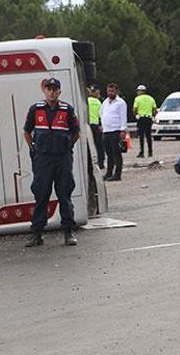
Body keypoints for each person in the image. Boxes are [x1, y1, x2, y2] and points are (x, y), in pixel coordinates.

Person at [22, 78, 80, 247]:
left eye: (55, 89)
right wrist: (33, 148)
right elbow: (27, 131)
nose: (52, 92)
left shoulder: (67, 110)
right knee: (41, 194)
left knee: (64, 194)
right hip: (43, 159)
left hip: (62, 158)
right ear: (44, 91)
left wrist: (67, 146)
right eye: (49, 89)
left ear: (59, 91)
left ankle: (68, 232)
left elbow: (76, 133)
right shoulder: (36, 109)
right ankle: (37, 234)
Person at [100, 83, 127, 181]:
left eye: (112, 91)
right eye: (109, 91)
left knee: (116, 153)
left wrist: (123, 130)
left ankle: (117, 174)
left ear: (116, 91)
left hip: (115, 130)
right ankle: (109, 173)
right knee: (109, 154)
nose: (110, 93)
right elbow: (101, 113)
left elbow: (123, 116)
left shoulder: (120, 102)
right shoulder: (105, 102)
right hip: (106, 130)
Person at [133, 85, 158, 158]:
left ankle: (142, 152)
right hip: (148, 119)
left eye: (138, 91)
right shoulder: (151, 98)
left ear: (141, 91)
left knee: (141, 136)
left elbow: (134, 109)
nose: (137, 92)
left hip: (141, 118)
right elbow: (155, 110)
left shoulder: (137, 99)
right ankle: (150, 152)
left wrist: (136, 115)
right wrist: (153, 116)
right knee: (148, 136)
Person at [87, 86, 105, 169]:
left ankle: (90, 163)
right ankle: (101, 163)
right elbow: (102, 115)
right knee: (99, 144)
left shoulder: (86, 101)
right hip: (97, 125)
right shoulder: (98, 102)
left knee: (89, 145)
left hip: (88, 125)